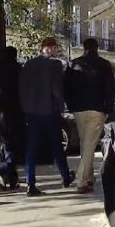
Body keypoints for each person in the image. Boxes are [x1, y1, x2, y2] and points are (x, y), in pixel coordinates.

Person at [19, 37, 73, 196]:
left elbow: (22, 87)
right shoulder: (55, 64)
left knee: (32, 148)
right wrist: (61, 106)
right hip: (50, 111)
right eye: (55, 48)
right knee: (57, 145)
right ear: (51, 48)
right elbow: (56, 88)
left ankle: (30, 183)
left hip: (32, 112)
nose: (56, 51)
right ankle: (65, 176)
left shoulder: (29, 64)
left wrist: (25, 107)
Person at [65, 37, 115, 194]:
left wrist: (71, 106)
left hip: (78, 109)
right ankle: (81, 180)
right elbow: (109, 88)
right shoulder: (105, 65)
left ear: (84, 47)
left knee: (85, 144)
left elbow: (66, 88)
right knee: (90, 145)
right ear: (97, 47)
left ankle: (88, 179)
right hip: (97, 109)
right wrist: (108, 109)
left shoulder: (73, 64)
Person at [0, 46, 23, 189]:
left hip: (1, 113)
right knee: (17, 147)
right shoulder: (19, 70)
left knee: (8, 146)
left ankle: (12, 179)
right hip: (17, 112)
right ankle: (1, 169)